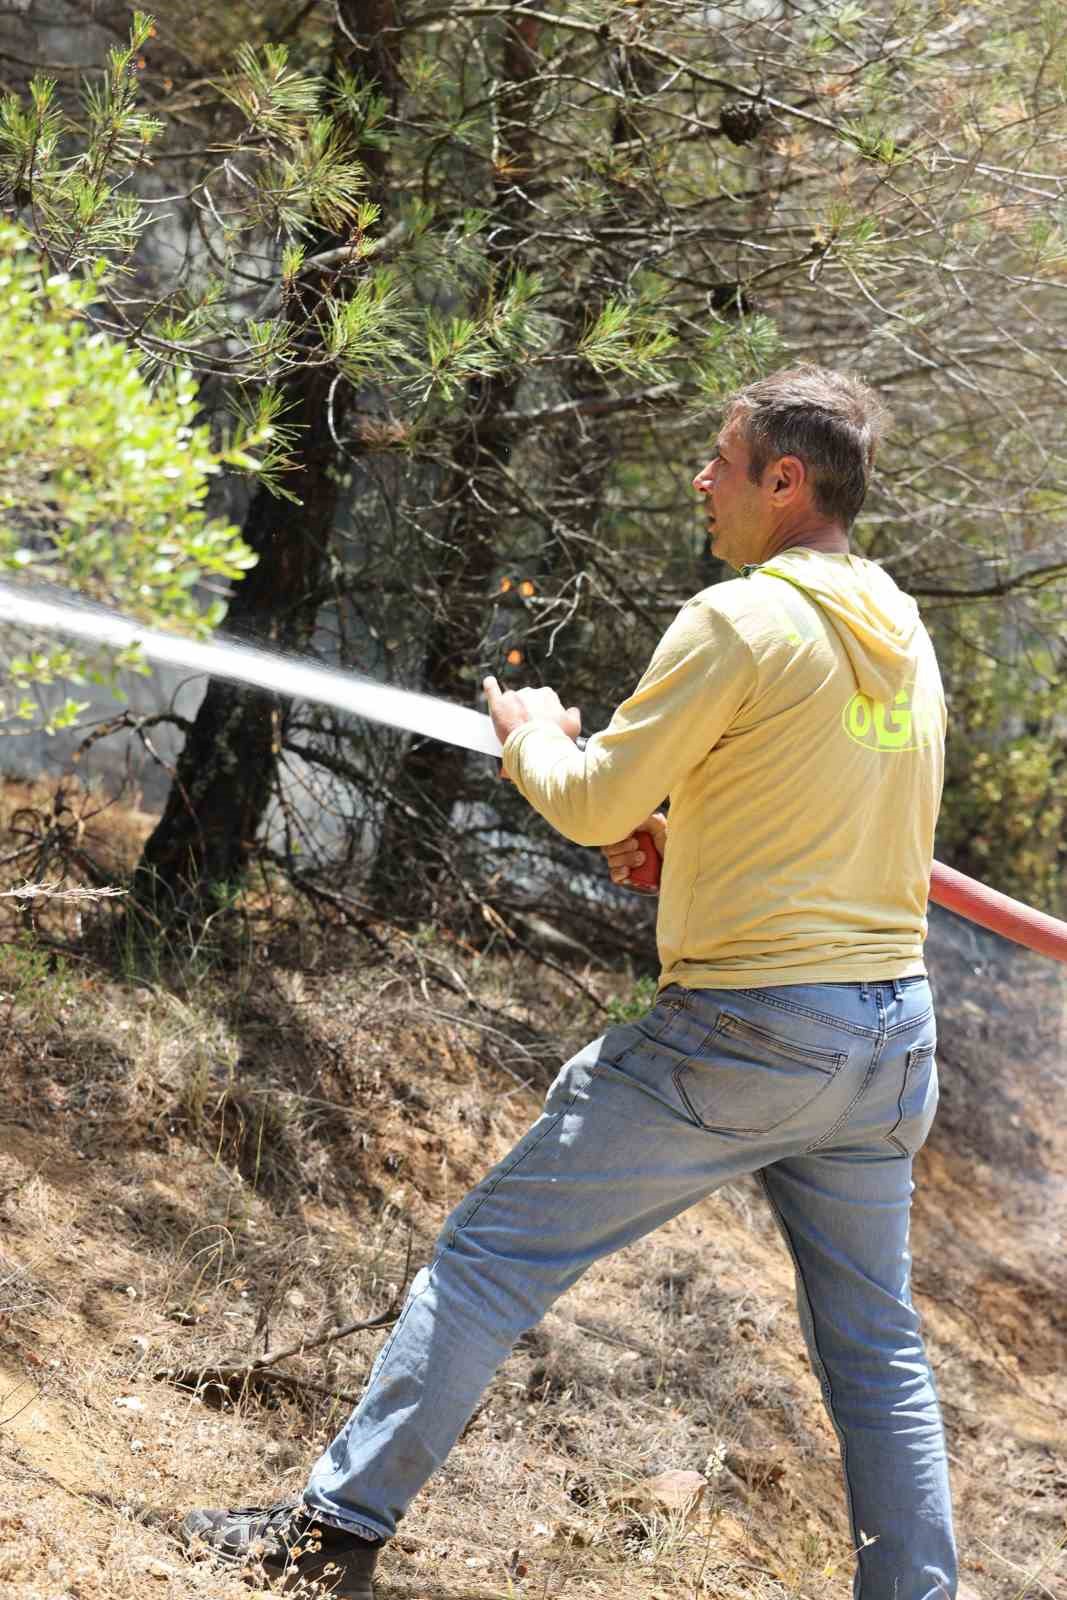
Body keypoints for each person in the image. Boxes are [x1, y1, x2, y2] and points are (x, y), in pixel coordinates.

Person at [179, 366, 956, 1600]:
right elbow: (836, 823)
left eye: (720, 458)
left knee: (487, 1260)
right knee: (876, 1356)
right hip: (886, 1042)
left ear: (783, 481)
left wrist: (529, 727)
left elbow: (591, 795)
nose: (702, 480)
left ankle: (330, 1535)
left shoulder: (739, 617)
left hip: (746, 1031)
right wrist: (684, 843)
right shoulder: (899, 633)